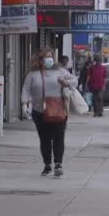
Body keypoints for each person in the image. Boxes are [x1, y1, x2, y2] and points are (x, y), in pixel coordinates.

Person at [21, 49, 78, 178]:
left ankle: (58, 164)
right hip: (39, 111)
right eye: (46, 57)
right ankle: (47, 164)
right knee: (44, 139)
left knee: (59, 137)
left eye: (51, 57)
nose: (49, 59)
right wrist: (24, 104)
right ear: (40, 59)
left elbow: (75, 81)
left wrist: (66, 83)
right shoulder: (33, 74)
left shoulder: (60, 71)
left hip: (58, 110)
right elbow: (26, 89)